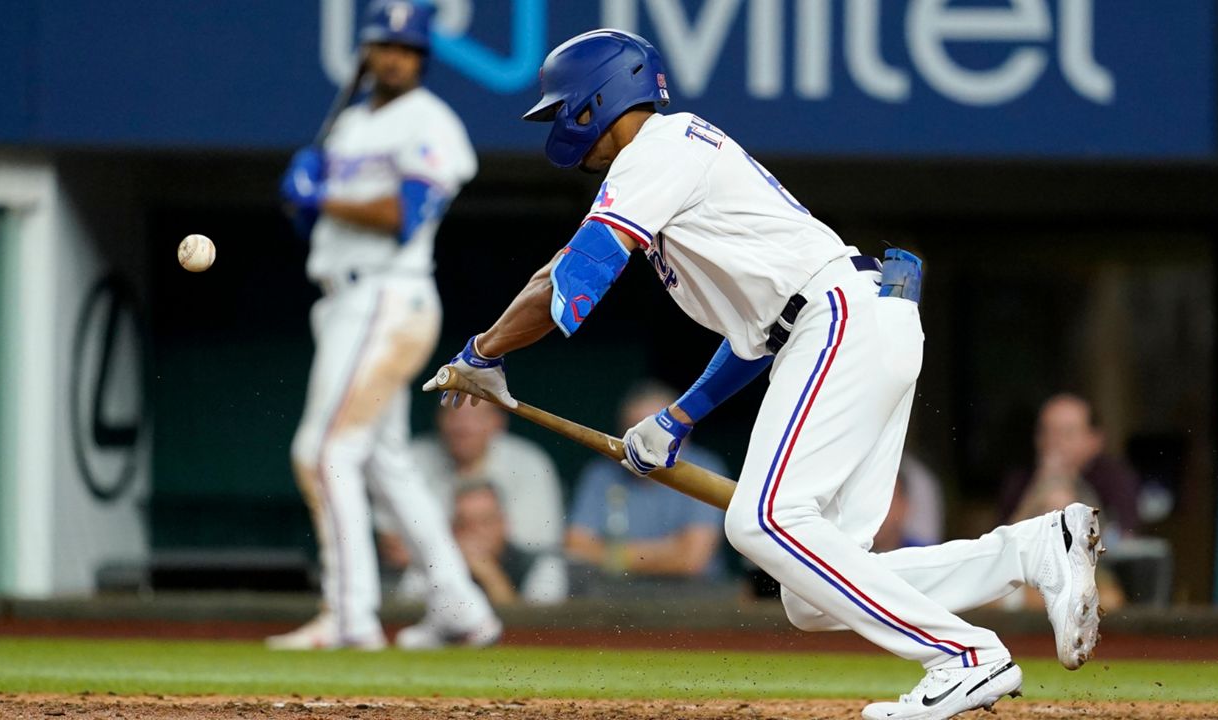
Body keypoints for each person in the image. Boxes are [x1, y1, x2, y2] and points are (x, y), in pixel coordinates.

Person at [422, 29, 1105, 719]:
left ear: (598, 98)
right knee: (813, 592)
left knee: (761, 521)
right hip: (859, 321)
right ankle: (1036, 548)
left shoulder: (657, 147)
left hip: (841, 320)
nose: (561, 125)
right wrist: (677, 417)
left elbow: (570, 279)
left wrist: (482, 354)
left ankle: (963, 657)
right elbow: (758, 335)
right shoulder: (670, 162)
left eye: (564, 106)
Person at [269, 0, 500, 651]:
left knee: (321, 453)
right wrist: (303, 200)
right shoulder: (346, 126)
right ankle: (461, 609)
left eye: (406, 49)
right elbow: (322, 224)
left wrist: (322, 195)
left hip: (387, 298)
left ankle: (349, 617)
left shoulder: (431, 122)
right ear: (367, 51)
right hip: (344, 298)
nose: (394, 57)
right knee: (384, 464)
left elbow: (407, 212)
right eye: (384, 46)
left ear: (421, 58)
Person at [566, 382, 727, 579]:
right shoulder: (601, 474)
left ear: (683, 435)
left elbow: (692, 559)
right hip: (615, 594)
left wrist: (612, 555)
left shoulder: (705, 468)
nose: (647, 443)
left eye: (659, 432)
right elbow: (576, 548)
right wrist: (667, 550)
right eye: (638, 434)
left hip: (692, 596)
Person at [380, 400, 563, 555]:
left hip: (512, 581)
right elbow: (393, 546)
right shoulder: (412, 459)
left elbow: (536, 549)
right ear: (438, 419)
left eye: (476, 416)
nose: (464, 427)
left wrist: (442, 544)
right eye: (454, 415)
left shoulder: (528, 463)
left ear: (498, 421)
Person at [1000, 393, 1142, 536]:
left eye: (1067, 433)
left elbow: (1125, 535)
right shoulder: (1021, 478)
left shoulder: (1114, 477)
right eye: (1046, 432)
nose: (1053, 441)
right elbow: (1003, 540)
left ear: (1095, 440)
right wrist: (1039, 489)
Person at [452, 483, 568, 605]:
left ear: (503, 523)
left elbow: (530, 622)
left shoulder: (539, 566)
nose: (476, 531)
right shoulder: (444, 566)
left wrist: (490, 576)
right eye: (464, 524)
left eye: (485, 521)